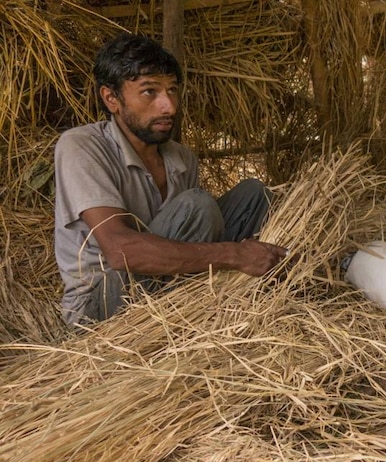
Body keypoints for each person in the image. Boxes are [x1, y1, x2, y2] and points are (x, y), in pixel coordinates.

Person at [54, 33, 288, 327]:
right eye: (149, 92)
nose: (169, 107)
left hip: (164, 285)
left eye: (173, 90)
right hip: (101, 306)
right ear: (111, 98)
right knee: (197, 206)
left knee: (254, 194)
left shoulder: (181, 157)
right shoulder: (81, 146)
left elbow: (190, 236)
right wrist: (234, 255)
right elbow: (120, 251)